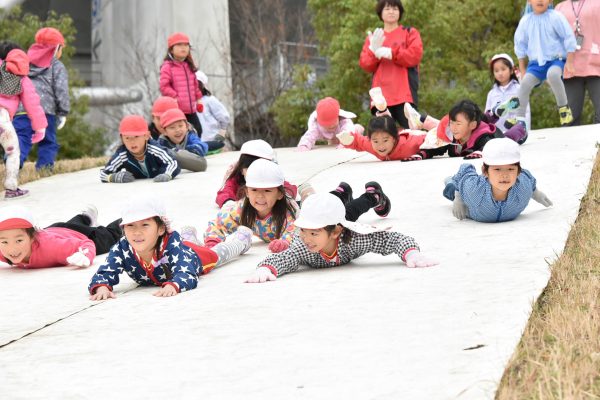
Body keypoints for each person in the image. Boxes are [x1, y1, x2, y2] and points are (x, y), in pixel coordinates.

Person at [245, 192, 438, 283]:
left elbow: (390, 239)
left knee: (350, 211)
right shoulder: (302, 246)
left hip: (342, 221)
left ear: (335, 233)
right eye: (303, 231)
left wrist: (411, 253)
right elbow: (284, 258)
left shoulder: (354, 240)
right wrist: (265, 268)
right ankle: (340, 191)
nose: (306, 238)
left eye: (313, 233)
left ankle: (370, 196)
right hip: (331, 220)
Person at [88, 197, 252, 300]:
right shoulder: (123, 248)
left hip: (192, 256)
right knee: (186, 243)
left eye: (145, 225)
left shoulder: (172, 246)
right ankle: (188, 236)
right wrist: (102, 286)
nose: (137, 232)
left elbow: (187, 272)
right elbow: (106, 269)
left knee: (216, 254)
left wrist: (174, 285)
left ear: (161, 229)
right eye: (130, 225)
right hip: (181, 247)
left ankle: (240, 241)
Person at [444, 138, 553, 223]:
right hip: (470, 204)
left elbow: (527, 177)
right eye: (497, 169)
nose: (504, 175)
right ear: (485, 171)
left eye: (510, 169)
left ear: (518, 172)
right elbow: (465, 170)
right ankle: (450, 183)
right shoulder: (475, 190)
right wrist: (458, 198)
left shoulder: (523, 187)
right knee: (451, 190)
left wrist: (535, 193)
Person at [205, 159, 298, 253]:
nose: (260, 196)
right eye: (254, 190)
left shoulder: (287, 213)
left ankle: (306, 191)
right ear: (247, 192)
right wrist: (212, 243)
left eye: (267, 190)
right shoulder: (240, 209)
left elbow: (297, 231)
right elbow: (217, 224)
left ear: (280, 194)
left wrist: (284, 243)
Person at [510, 0, 577, 129]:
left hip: (555, 59)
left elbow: (568, 37)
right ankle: (519, 118)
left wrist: (569, 61)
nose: (540, 1)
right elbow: (520, 45)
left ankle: (563, 108)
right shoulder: (525, 21)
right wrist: (523, 70)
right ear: (529, 1)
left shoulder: (555, 17)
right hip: (536, 64)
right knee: (524, 84)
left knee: (552, 75)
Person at [359, 0, 423, 129]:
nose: (391, 12)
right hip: (380, 97)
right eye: (387, 9)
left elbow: (415, 56)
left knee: (413, 132)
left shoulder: (409, 32)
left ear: (400, 12)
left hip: (404, 94)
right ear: (380, 12)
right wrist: (373, 52)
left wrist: (391, 53)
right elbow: (365, 65)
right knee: (383, 135)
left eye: (395, 8)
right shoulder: (374, 37)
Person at [13, 27, 70, 171]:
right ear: (56, 48)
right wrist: (63, 112)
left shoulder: (24, 61)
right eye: (61, 48)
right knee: (48, 141)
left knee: (21, 139)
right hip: (45, 111)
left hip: (21, 109)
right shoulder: (56, 66)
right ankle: (44, 169)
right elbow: (61, 90)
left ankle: (13, 166)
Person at [0, 204, 121, 268]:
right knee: (71, 224)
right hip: (57, 230)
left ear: (32, 237)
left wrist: (85, 255)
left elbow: (86, 244)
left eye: (19, 240)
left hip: (81, 235)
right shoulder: (3, 250)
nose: (12, 249)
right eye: (4, 242)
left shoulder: (51, 247)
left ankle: (128, 220)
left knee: (110, 235)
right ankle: (85, 218)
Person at [402, 99, 526, 161]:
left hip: (494, 137)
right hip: (475, 124)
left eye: (458, 124)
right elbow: (436, 148)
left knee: (509, 138)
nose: (453, 128)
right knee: (480, 117)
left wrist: (479, 152)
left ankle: (521, 126)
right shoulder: (451, 135)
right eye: (451, 123)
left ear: (471, 125)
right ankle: (494, 112)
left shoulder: (482, 136)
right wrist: (421, 155)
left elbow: (486, 146)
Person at [0, 48, 47, 199]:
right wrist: (40, 128)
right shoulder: (23, 80)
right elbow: (33, 105)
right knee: (13, 151)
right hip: (3, 120)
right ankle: (11, 189)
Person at [216, 139, 297, 207]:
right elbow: (223, 193)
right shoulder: (235, 178)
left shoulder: (272, 177)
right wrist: (229, 203)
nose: (255, 173)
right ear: (241, 170)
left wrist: (282, 198)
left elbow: (289, 188)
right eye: (250, 169)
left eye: (261, 170)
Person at [556, 0, 600, 125]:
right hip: (569, 67)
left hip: (596, 64)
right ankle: (570, 145)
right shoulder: (560, 8)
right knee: (569, 118)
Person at [100, 115, 180, 183]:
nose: (132, 142)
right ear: (122, 139)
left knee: (181, 157)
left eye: (136, 136)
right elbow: (104, 173)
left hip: (173, 154)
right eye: (127, 138)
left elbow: (172, 163)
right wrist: (113, 177)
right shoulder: (122, 154)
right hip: (162, 162)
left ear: (146, 136)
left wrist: (167, 174)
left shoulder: (154, 149)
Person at [159, 32, 203, 136]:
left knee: (198, 130)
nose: (183, 48)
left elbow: (195, 85)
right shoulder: (167, 66)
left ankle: (195, 150)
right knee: (182, 133)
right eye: (179, 45)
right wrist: (176, 97)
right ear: (171, 49)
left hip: (191, 109)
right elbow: (164, 86)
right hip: (177, 110)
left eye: (186, 45)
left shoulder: (189, 66)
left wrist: (199, 100)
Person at [336, 115, 426, 161]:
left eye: (385, 140)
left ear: (394, 138)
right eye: (375, 141)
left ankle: (421, 121)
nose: (380, 146)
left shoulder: (408, 145)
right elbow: (359, 141)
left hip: (416, 135)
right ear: (370, 139)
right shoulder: (371, 144)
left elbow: (428, 139)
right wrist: (348, 140)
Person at [485, 53, 531, 135]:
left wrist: (525, 129)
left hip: (515, 132)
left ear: (511, 70)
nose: (500, 73)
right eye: (496, 70)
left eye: (503, 69)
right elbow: (487, 115)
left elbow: (526, 111)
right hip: (497, 134)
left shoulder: (519, 89)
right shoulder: (491, 93)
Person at [296, 97, 363, 151]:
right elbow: (309, 136)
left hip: (341, 132)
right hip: (328, 136)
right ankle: (334, 140)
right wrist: (304, 145)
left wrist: (345, 143)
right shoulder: (316, 126)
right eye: (327, 124)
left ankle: (359, 128)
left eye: (333, 122)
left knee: (353, 131)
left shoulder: (344, 121)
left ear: (338, 116)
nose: (331, 125)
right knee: (333, 143)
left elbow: (349, 130)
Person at [157, 108, 208, 172]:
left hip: (190, 151)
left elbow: (200, 145)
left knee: (209, 145)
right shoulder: (162, 141)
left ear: (187, 127)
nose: (178, 130)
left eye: (180, 126)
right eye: (172, 127)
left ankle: (218, 142)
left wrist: (194, 150)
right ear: (164, 132)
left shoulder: (190, 136)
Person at [195, 70, 228, 151]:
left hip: (212, 143)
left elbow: (224, 118)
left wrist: (220, 138)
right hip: (197, 145)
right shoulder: (188, 103)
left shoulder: (209, 100)